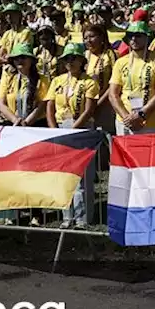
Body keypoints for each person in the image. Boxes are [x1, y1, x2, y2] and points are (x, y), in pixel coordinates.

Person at [48, 43, 102, 228]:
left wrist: (74, 129)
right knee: (64, 174)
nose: (70, 62)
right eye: (66, 59)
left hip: (81, 129)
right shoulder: (57, 81)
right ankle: (66, 216)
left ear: (82, 61)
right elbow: (50, 106)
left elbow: (89, 109)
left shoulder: (89, 82)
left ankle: (82, 217)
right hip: (61, 128)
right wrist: (53, 128)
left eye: (73, 58)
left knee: (82, 176)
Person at [108, 20, 155, 135]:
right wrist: (127, 118)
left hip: (150, 123)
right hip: (124, 121)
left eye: (138, 35)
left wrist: (141, 115)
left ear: (147, 37)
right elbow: (113, 94)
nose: (133, 39)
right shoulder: (120, 62)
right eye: (130, 36)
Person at [0, 43, 49, 126]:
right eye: (16, 58)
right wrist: (15, 121)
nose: (20, 60)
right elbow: (1, 104)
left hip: (36, 124)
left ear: (31, 60)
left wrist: (26, 123)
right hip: (12, 124)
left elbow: (42, 105)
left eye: (23, 57)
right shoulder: (7, 78)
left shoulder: (42, 79)